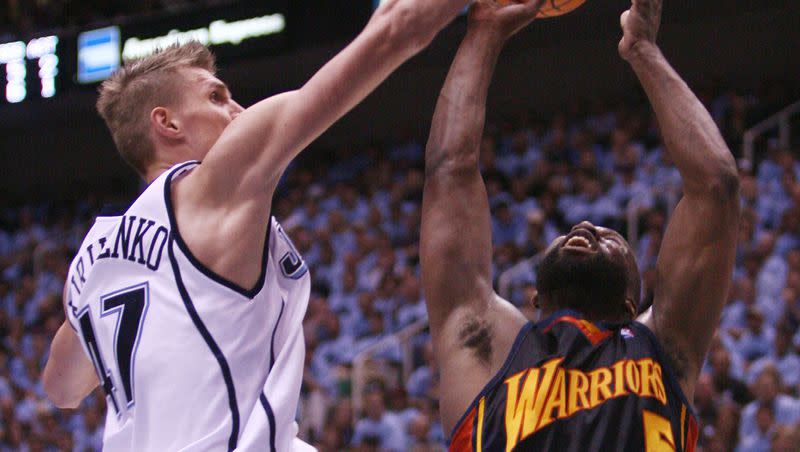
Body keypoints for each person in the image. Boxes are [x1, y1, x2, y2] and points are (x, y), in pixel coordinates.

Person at [41, 0, 472, 450]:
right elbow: (393, 31)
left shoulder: (92, 260)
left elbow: (62, 388)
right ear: (166, 123)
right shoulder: (213, 183)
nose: (238, 110)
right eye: (216, 96)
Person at [420, 0, 740, 450]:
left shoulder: (662, 346)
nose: (587, 225)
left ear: (632, 305)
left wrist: (643, 49)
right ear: (535, 300)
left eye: (613, 238)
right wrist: (483, 33)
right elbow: (449, 170)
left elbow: (718, 186)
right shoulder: (489, 348)